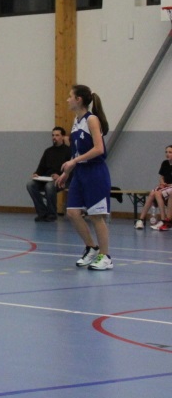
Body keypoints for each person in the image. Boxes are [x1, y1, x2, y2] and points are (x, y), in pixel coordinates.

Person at [57, 84, 112, 270]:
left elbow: (99, 149)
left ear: (78, 99)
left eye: (70, 96)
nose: (67, 100)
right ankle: (91, 248)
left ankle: (105, 256)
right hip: (79, 172)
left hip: (95, 172)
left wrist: (74, 161)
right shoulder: (76, 121)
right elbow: (77, 152)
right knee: (72, 212)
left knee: (96, 216)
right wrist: (66, 172)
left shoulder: (92, 119)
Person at [26, 127, 69, 222]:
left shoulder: (68, 151)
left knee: (49, 186)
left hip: (61, 179)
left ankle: (52, 214)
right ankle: (42, 212)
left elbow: (70, 169)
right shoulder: (48, 151)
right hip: (46, 178)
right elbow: (41, 167)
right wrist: (36, 174)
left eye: (57, 135)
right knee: (30, 185)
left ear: (62, 137)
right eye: (53, 135)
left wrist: (60, 176)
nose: (54, 137)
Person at [139, 145, 172, 230]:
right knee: (152, 193)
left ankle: (163, 220)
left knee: (157, 193)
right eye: (166, 152)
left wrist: (168, 185)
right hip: (165, 186)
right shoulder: (165, 163)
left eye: (170, 152)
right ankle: (141, 220)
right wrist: (162, 183)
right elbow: (161, 177)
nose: (167, 154)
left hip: (171, 187)